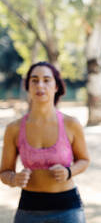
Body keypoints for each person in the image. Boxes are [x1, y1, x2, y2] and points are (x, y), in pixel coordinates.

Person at [0, 62, 90, 223]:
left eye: (46, 80)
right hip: (28, 209)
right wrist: (14, 179)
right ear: (28, 86)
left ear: (56, 86)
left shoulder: (71, 124)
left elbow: (84, 160)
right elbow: (4, 172)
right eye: (34, 80)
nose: (40, 85)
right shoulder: (13, 128)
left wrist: (69, 172)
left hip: (68, 209)